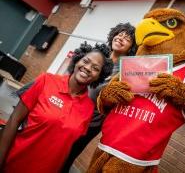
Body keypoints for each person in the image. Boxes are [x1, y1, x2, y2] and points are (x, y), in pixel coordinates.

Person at [6, 23, 137, 172]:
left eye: (127, 38)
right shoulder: (97, 55)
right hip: (63, 103)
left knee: (64, 154)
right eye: (120, 33)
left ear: (132, 47)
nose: (121, 37)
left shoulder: (125, 71)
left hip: (89, 119)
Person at [0, 42, 113, 172]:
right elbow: (14, 120)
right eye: (86, 61)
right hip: (14, 164)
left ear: (99, 77)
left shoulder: (88, 109)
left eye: (95, 68)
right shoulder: (46, 80)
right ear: (77, 60)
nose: (88, 68)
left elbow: (65, 147)